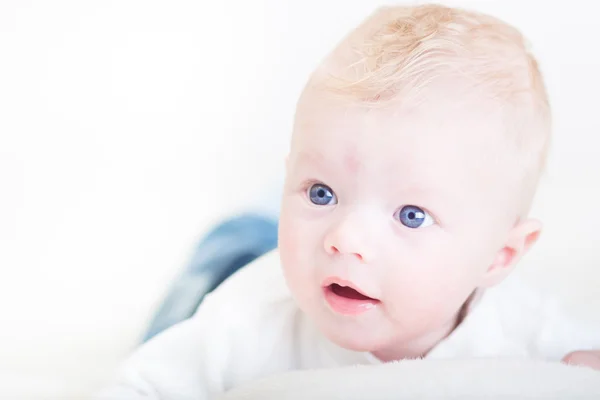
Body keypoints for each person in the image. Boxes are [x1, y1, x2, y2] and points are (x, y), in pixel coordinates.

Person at [97, 4, 600, 398]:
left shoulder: (530, 330)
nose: (346, 238)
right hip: (242, 267)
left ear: (499, 257)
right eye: (321, 192)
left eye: (411, 215)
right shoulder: (245, 320)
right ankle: (250, 220)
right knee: (206, 277)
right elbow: (140, 386)